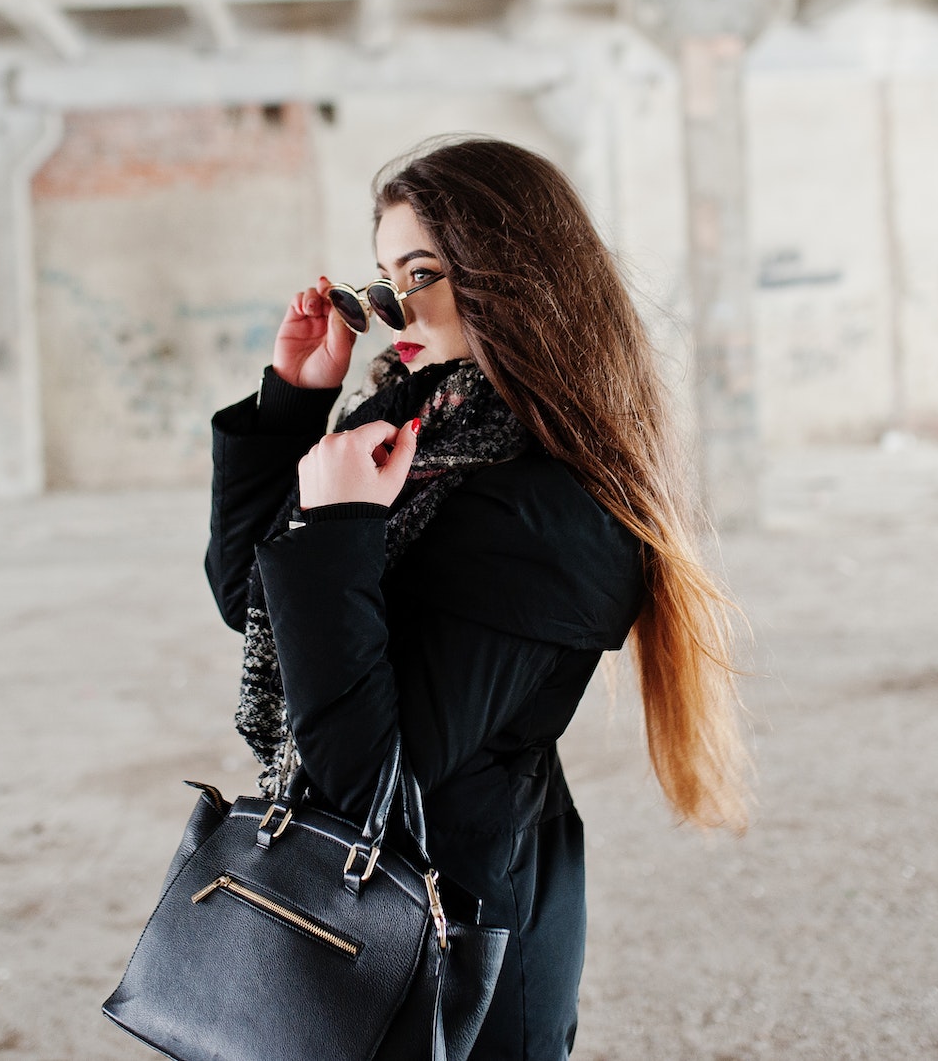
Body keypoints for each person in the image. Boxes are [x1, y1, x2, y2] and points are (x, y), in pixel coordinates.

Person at [203, 136, 749, 1059]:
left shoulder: (559, 508)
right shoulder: (419, 416)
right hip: (353, 902)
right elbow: (250, 599)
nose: (387, 310)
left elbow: (369, 768)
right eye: (381, 278)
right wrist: (295, 407)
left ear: (514, 278)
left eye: (419, 273)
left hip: (459, 924)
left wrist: (339, 531)